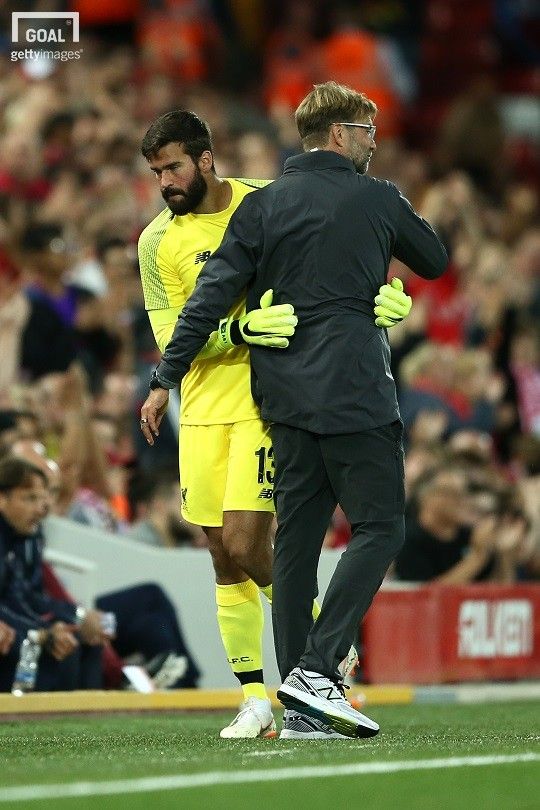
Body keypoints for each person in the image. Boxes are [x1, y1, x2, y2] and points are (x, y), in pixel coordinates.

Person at [140, 82, 447, 739]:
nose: (373, 138)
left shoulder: (263, 205)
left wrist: (164, 375)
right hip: (356, 390)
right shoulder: (377, 196)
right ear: (339, 134)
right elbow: (436, 258)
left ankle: (303, 706)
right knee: (382, 526)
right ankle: (318, 667)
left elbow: (208, 298)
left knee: (297, 547)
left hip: (280, 401)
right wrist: (390, 276)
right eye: (366, 128)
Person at [0, 456, 105, 692]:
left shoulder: (26, 537)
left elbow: (28, 595)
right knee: (59, 644)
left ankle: (89, 719)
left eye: (42, 497)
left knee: (80, 636)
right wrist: (42, 633)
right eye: (29, 498)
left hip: (14, 623)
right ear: (2, 498)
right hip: (8, 628)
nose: (40, 508)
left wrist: (73, 618)